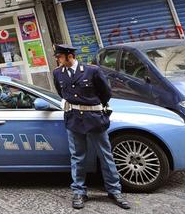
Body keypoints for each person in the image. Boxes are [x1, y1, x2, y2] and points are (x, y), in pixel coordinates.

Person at [52, 44, 130, 210]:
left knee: (105, 155)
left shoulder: (91, 71)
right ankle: (79, 191)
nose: (57, 60)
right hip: (74, 120)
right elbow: (62, 92)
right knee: (77, 157)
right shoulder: (57, 73)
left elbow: (106, 93)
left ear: (68, 56)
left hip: (94, 119)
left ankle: (114, 190)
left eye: (58, 56)